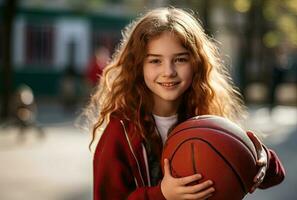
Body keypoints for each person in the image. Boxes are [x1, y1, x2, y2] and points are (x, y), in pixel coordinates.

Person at [82, 7, 285, 200]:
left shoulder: (207, 119)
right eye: (155, 61)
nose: (168, 71)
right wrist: (162, 195)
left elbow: (275, 177)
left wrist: (262, 159)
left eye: (180, 59)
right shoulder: (121, 133)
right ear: (138, 66)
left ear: (196, 63)